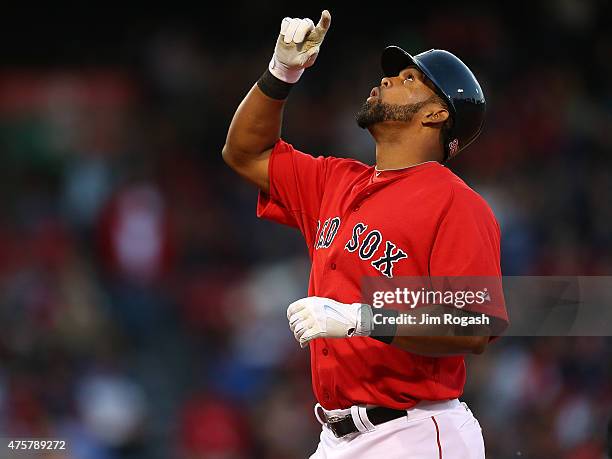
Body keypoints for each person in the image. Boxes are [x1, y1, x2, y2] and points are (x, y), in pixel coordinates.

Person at [223, 10, 508, 459]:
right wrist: (282, 70)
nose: (388, 79)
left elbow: (474, 322)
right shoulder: (334, 180)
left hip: (415, 432)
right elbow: (243, 152)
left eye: (409, 77)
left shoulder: (457, 203)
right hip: (335, 435)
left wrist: (361, 319)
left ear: (437, 114)